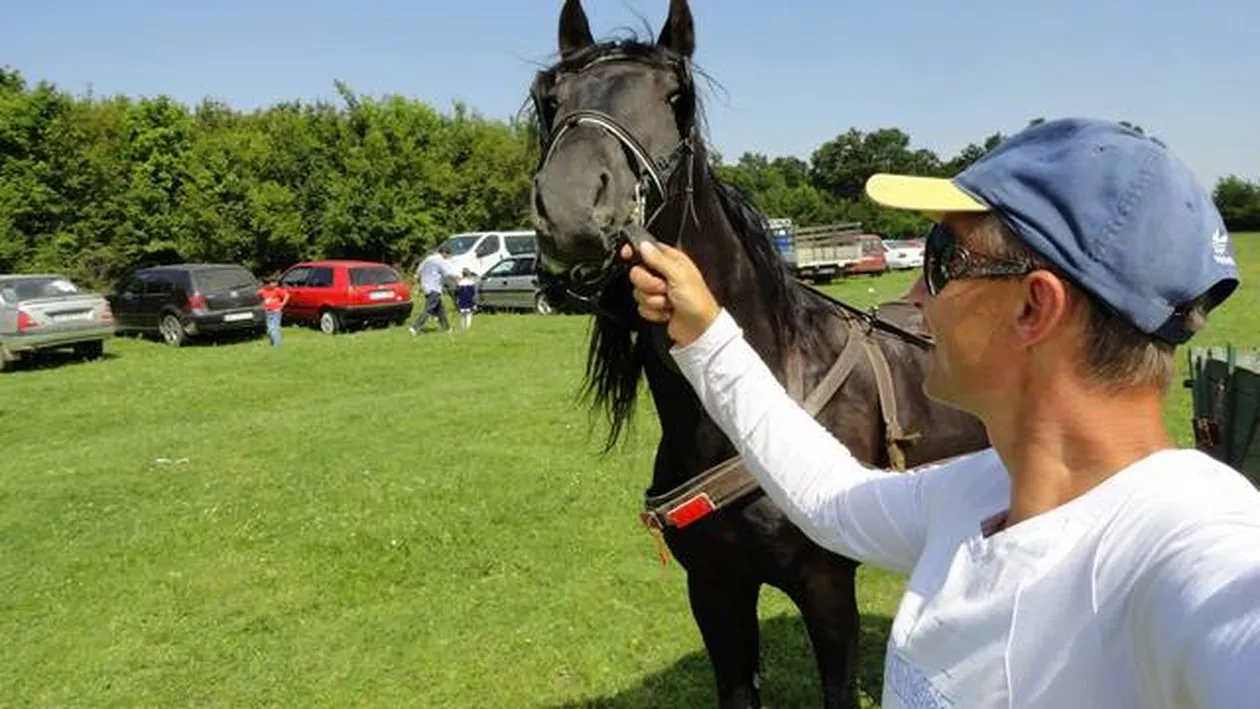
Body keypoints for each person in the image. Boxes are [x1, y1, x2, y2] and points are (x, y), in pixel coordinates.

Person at [622, 118, 1260, 708]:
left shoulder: (1192, 551)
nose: (916, 296)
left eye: (942, 258)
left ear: (1034, 309)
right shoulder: (980, 491)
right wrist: (706, 331)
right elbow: (828, 497)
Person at [410, 245, 459, 335]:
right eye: (448, 255)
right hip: (434, 287)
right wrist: (458, 278)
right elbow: (448, 273)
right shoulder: (440, 260)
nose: (448, 258)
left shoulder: (428, 259)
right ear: (444, 253)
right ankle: (415, 327)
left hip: (426, 286)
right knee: (429, 309)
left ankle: (447, 329)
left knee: (441, 310)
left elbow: (419, 271)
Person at [257, 277, 289, 347]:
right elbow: (259, 297)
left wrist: (283, 304)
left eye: (271, 283)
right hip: (268, 311)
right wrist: (262, 304)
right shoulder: (262, 291)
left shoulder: (276, 290)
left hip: (276, 311)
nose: (272, 285)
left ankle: (276, 345)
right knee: (270, 329)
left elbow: (286, 295)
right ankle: (274, 342)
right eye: (269, 284)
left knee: (275, 328)